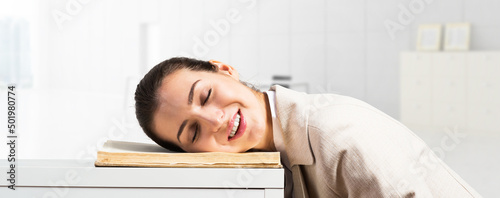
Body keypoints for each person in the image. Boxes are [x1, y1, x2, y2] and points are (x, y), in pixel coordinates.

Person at [134, 57, 482, 198]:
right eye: (192, 132)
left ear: (224, 69)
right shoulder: (269, 160)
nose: (215, 120)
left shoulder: (337, 132)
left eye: (206, 95)